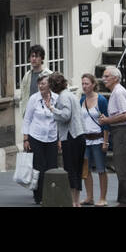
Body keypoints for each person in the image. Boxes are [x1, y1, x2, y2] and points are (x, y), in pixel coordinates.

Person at [99, 66, 126, 206]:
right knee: (124, 168)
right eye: (103, 76)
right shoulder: (116, 92)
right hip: (121, 132)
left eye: (107, 76)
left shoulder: (119, 92)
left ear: (115, 78)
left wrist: (107, 120)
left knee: (123, 169)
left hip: (123, 131)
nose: (104, 79)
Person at [48, 72, 85, 207]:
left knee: (70, 169)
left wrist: (53, 110)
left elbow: (66, 115)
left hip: (71, 137)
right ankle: (76, 201)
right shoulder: (71, 95)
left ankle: (72, 202)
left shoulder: (63, 97)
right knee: (78, 169)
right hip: (79, 135)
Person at [22, 74, 60, 205]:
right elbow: (27, 119)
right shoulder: (34, 99)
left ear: (49, 84)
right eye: (39, 84)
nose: (41, 86)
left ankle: (51, 194)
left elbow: (59, 120)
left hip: (52, 138)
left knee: (52, 167)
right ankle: (39, 196)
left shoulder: (56, 98)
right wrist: (26, 139)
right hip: (36, 137)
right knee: (39, 168)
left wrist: (59, 139)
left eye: (43, 83)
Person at [78, 72, 109, 205]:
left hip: (98, 139)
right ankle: (89, 197)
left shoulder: (101, 100)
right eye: (83, 84)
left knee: (101, 169)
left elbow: (106, 121)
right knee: (86, 170)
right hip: (85, 140)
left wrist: (105, 141)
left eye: (87, 83)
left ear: (93, 84)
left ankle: (103, 198)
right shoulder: (81, 100)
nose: (84, 86)